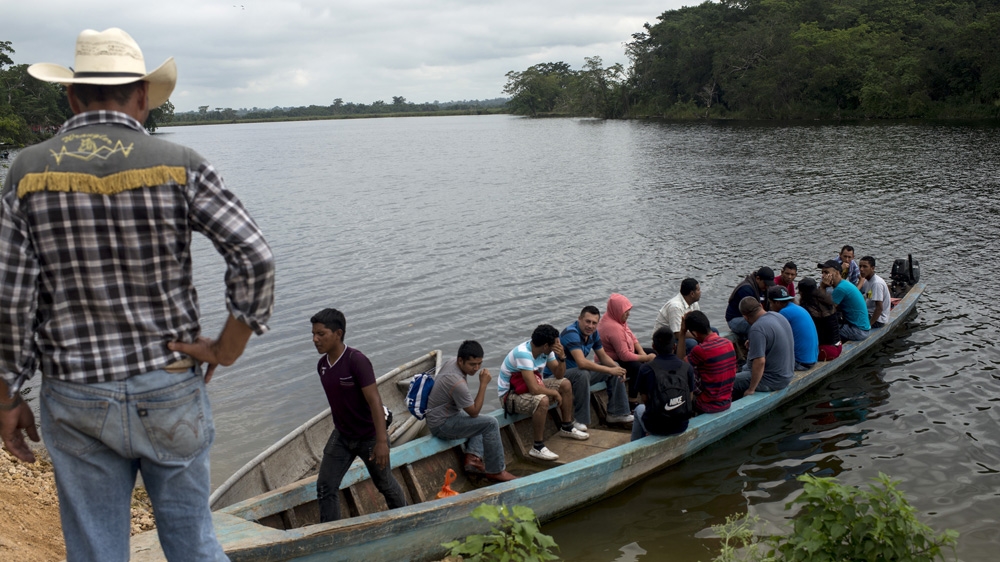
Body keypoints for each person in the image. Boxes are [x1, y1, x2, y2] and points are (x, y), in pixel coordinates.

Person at [0, 28, 275, 561]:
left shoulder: (27, 171)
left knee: (96, 551)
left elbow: (11, 300)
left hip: (76, 391)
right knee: (194, 544)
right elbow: (255, 257)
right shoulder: (181, 163)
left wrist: (8, 394)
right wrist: (225, 348)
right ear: (144, 95)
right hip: (168, 385)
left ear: (72, 95)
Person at [311, 308, 407, 522]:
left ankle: (405, 519)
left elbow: (375, 401)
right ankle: (330, 533)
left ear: (338, 334)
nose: (315, 339)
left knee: (384, 483)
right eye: (313, 334)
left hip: (369, 436)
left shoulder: (356, 360)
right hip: (343, 435)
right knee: (325, 486)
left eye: (321, 334)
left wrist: (381, 442)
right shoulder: (322, 366)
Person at [425, 341, 515, 482]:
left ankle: (473, 458)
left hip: (440, 416)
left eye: (479, 363)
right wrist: (483, 384)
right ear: (461, 360)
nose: (476, 368)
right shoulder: (457, 382)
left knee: (482, 421)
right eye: (472, 364)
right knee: (490, 423)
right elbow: (474, 412)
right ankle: (496, 471)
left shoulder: (452, 362)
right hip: (442, 424)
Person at [498, 325, 588, 462]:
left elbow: (559, 375)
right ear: (546, 346)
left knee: (565, 384)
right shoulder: (523, 354)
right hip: (510, 396)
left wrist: (562, 358)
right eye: (556, 343)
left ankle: (567, 427)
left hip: (530, 385)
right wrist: (554, 393)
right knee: (542, 400)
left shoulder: (547, 351)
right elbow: (534, 389)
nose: (558, 345)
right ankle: (537, 447)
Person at [545, 306, 632, 430]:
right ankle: (580, 420)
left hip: (578, 375)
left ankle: (617, 413)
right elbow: (581, 363)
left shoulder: (593, 333)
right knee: (583, 373)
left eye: (594, 323)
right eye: (587, 321)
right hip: (557, 377)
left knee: (615, 367)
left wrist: (617, 369)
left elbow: (603, 357)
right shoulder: (571, 333)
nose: (590, 326)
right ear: (579, 319)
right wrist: (610, 370)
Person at [631, 328, 695, 440]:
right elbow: (689, 397)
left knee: (638, 410)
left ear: (653, 347)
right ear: (674, 346)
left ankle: (635, 445)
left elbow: (645, 399)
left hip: (656, 427)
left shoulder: (646, 369)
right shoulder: (687, 368)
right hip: (681, 425)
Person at [732, 297, 795, 399]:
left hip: (772, 380)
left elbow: (760, 362)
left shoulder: (757, 328)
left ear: (745, 317)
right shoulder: (778, 316)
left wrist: (751, 389)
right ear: (761, 306)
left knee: (730, 381)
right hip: (787, 374)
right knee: (743, 368)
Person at [597, 293, 656, 398]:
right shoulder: (613, 328)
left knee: (654, 353)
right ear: (617, 310)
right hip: (612, 359)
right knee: (638, 368)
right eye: (625, 311)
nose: (628, 314)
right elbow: (624, 355)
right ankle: (633, 399)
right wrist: (646, 358)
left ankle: (653, 389)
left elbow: (632, 336)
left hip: (625, 351)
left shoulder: (616, 317)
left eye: (629, 310)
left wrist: (641, 351)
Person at [678, 310, 736, 414]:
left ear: (694, 333)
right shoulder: (728, 343)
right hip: (727, 401)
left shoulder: (701, 350)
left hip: (708, 405)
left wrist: (682, 333)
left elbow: (680, 364)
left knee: (684, 372)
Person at [768, 286, 819, 371]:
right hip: (811, 359)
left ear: (777, 303)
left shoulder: (784, 313)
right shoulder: (797, 308)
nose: (770, 306)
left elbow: (772, 336)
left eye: (770, 303)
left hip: (800, 363)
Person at [818, 259, 870, 341]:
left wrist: (822, 287)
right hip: (861, 327)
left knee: (822, 327)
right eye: (822, 273)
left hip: (858, 331)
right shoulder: (844, 284)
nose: (823, 276)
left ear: (837, 273)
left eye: (826, 272)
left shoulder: (840, 288)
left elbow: (825, 310)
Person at [798, 277, 842, 361]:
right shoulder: (825, 301)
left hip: (826, 351)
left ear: (802, 292)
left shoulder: (808, 308)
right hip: (838, 346)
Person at [725, 267, 775, 339]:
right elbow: (752, 315)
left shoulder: (763, 288)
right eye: (765, 284)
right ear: (758, 278)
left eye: (769, 284)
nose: (767, 287)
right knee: (758, 326)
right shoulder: (746, 289)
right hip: (735, 319)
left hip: (750, 317)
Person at [654, 278, 702, 352]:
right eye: (698, 290)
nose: (700, 292)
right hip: (666, 341)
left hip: (685, 333)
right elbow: (677, 334)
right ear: (692, 294)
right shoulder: (675, 306)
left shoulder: (694, 303)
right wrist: (700, 336)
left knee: (713, 331)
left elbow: (698, 324)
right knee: (692, 343)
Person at [859, 256, 892, 329]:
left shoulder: (876, 283)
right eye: (860, 266)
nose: (861, 269)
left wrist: (869, 325)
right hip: (868, 313)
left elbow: (879, 308)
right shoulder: (867, 280)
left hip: (878, 320)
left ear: (872, 268)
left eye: (865, 267)